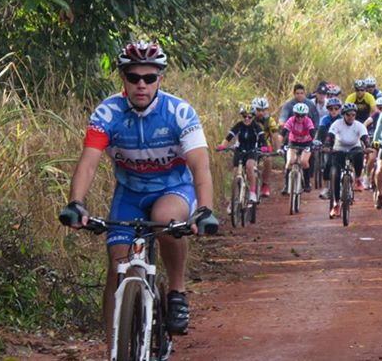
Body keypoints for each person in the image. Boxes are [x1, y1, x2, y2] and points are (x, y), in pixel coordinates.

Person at [58, 41, 218, 348]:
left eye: (149, 77)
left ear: (160, 79)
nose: (141, 84)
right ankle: (114, 349)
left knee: (165, 219)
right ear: (123, 79)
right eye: (134, 77)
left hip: (173, 188)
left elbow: (200, 167)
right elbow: (88, 163)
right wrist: (76, 203)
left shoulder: (180, 112)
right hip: (130, 193)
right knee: (118, 266)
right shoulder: (107, 112)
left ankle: (177, 291)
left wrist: (205, 209)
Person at [216, 104, 271, 204]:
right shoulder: (239, 125)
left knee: (250, 166)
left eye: (249, 117)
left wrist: (264, 147)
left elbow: (262, 139)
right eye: (244, 116)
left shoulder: (256, 127)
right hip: (240, 150)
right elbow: (229, 137)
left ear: (253, 117)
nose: (247, 119)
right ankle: (234, 200)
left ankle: (252, 193)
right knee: (235, 172)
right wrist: (222, 146)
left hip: (252, 150)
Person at [324, 103, 371, 218]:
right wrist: (327, 145)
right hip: (339, 149)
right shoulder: (337, 124)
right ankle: (336, 204)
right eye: (348, 115)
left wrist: (368, 146)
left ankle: (358, 178)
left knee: (360, 154)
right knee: (335, 174)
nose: (351, 117)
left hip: (354, 148)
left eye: (353, 115)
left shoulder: (359, 125)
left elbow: (365, 137)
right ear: (343, 115)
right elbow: (330, 136)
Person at [279, 102, 316, 193]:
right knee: (290, 161)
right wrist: (280, 145)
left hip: (306, 143)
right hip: (293, 142)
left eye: (302, 116)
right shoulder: (291, 120)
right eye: (297, 115)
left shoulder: (308, 121)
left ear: (305, 115)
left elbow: (312, 132)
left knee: (304, 161)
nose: (300, 118)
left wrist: (313, 142)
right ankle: (286, 185)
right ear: (294, 114)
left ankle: (307, 183)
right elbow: (283, 132)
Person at [315, 97, 343, 199]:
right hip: (328, 145)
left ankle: (346, 185)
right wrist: (319, 142)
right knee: (327, 164)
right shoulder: (324, 119)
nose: (333, 111)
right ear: (328, 110)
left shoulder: (343, 119)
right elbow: (320, 132)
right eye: (331, 109)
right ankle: (326, 188)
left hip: (341, 145)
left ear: (339, 109)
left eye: (336, 108)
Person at [251, 96, 279, 198]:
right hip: (250, 143)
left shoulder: (269, 120)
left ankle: (265, 184)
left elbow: (275, 135)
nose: (261, 113)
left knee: (268, 160)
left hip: (264, 145)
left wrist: (278, 148)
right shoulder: (248, 118)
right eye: (258, 110)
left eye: (263, 110)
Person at [363, 95, 382, 190]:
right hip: (375, 140)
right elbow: (365, 124)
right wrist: (365, 134)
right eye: (380, 108)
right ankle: (366, 176)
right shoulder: (375, 115)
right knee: (372, 158)